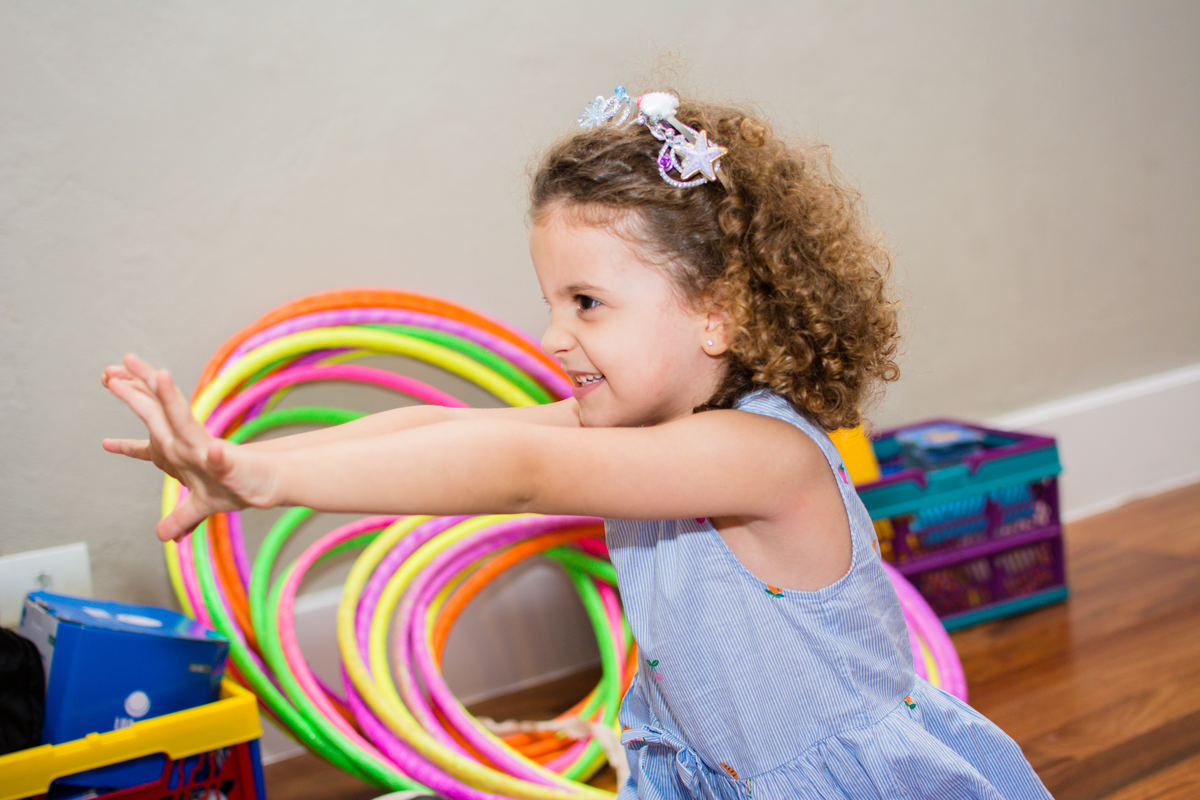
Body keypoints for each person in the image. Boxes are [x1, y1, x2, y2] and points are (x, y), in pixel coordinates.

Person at [103, 87, 1052, 799]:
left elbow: (519, 471)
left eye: (587, 303)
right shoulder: (645, 429)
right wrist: (241, 468)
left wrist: (268, 479)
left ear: (717, 313)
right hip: (717, 769)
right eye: (552, 300)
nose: (554, 335)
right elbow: (446, 426)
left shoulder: (760, 456)